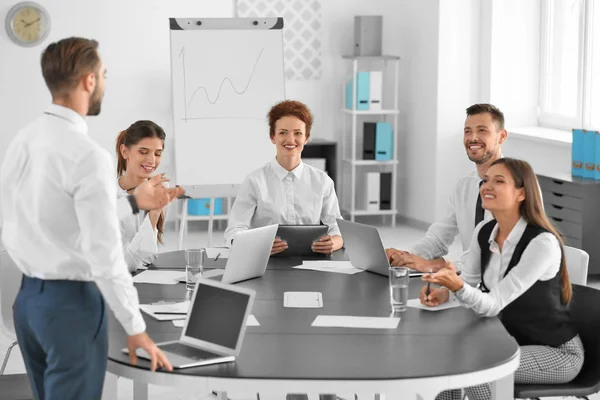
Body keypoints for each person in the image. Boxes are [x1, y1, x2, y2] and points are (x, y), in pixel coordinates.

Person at [0, 37, 177, 400]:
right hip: (72, 306)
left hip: (28, 302)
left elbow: (47, 219)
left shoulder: (24, 139)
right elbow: (104, 255)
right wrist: (135, 325)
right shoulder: (87, 155)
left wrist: (132, 204)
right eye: (105, 74)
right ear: (89, 80)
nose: (105, 83)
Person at [421, 158, 584, 400]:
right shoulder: (484, 232)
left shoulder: (541, 244)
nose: (487, 186)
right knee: (450, 361)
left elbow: (493, 303)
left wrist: (458, 286)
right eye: (485, 180)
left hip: (557, 352)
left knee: (478, 368)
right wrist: (447, 290)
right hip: (508, 341)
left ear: (521, 193)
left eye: (499, 181)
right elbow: (470, 284)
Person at [385, 103, 507, 276]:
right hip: (470, 283)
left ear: (501, 136)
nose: (473, 138)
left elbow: (489, 257)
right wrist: (407, 257)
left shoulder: (511, 188)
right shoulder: (464, 186)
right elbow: (438, 238)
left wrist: (435, 266)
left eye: (482, 131)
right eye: (467, 131)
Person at [224, 100, 343, 255]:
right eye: (283, 132)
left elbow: (337, 227)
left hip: (310, 263)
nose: (290, 140)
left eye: (298, 133)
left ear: (306, 138)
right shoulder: (254, 181)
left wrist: (334, 242)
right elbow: (234, 230)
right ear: (273, 137)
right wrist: (258, 244)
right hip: (263, 262)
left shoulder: (322, 181)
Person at [116, 120, 167, 272]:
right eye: (143, 152)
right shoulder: (111, 197)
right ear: (125, 151)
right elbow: (123, 265)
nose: (151, 160)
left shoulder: (158, 190)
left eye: (157, 154)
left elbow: (148, 257)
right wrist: (154, 213)